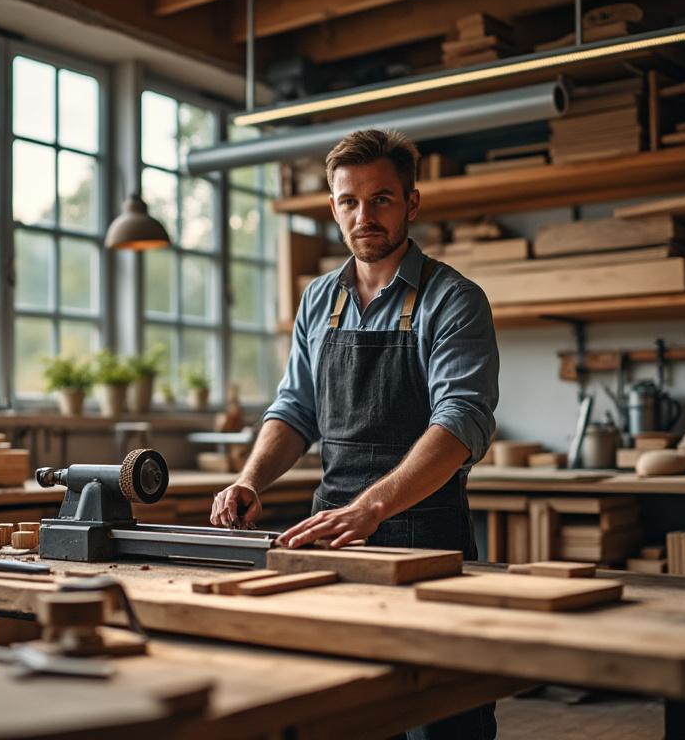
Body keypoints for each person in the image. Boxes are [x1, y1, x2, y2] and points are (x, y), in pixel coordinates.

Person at [210, 128, 500, 740]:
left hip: (426, 540)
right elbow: (295, 409)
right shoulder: (318, 299)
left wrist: (373, 507)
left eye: (382, 199)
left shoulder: (454, 300)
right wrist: (249, 478)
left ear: (411, 203)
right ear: (333, 205)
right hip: (336, 540)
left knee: (447, 716)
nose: (363, 216)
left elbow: (461, 420)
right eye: (349, 201)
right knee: (352, 712)